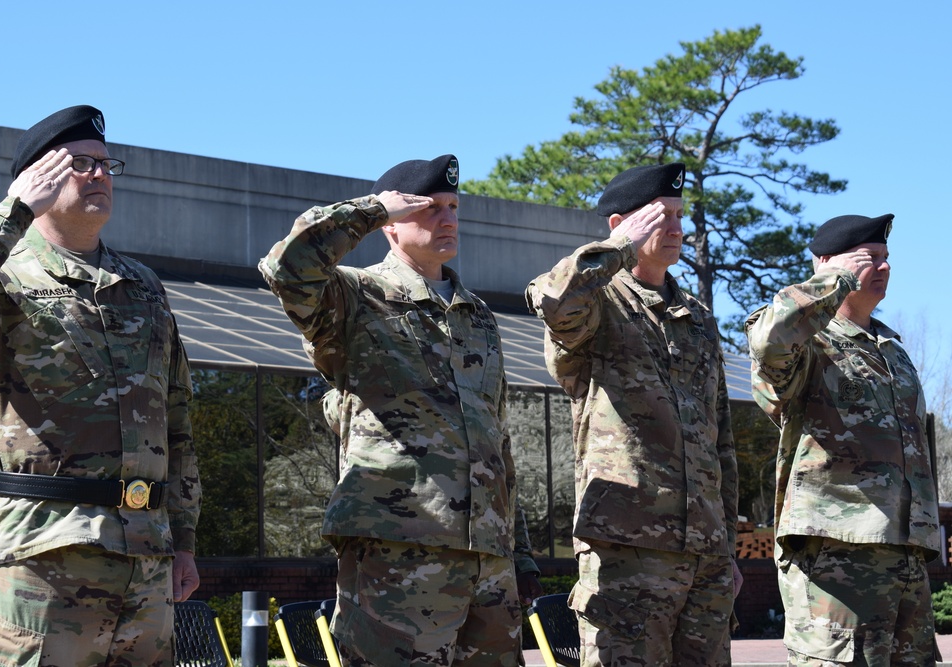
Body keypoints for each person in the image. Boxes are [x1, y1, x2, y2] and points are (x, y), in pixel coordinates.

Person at [259, 154, 542, 666]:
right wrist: (371, 209)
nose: (447, 218)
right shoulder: (355, 294)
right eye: (429, 208)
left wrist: (518, 552)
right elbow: (286, 267)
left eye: (453, 206)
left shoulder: (477, 315)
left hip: (489, 559)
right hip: (398, 550)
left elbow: (496, 439)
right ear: (391, 224)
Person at [0, 105, 201, 667]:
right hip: (38, 557)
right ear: (36, 178)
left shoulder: (141, 285)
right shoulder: (3, 273)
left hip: (145, 560)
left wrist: (182, 540)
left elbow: (177, 419)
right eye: (79, 164)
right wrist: (14, 210)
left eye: (106, 164)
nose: (99, 175)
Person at [526, 163, 741, 666]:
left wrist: (727, 544)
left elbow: (721, 442)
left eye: (679, 217)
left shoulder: (699, 319)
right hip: (627, 547)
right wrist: (620, 250)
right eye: (659, 217)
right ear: (620, 224)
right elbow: (554, 301)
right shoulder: (598, 303)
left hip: (705, 553)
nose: (674, 229)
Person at [746, 214, 940, 666]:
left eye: (886, 258)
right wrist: (834, 279)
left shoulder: (892, 350)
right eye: (869, 258)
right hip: (835, 553)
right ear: (825, 264)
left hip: (905, 550)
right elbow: (770, 343)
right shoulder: (807, 341)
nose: (883, 267)